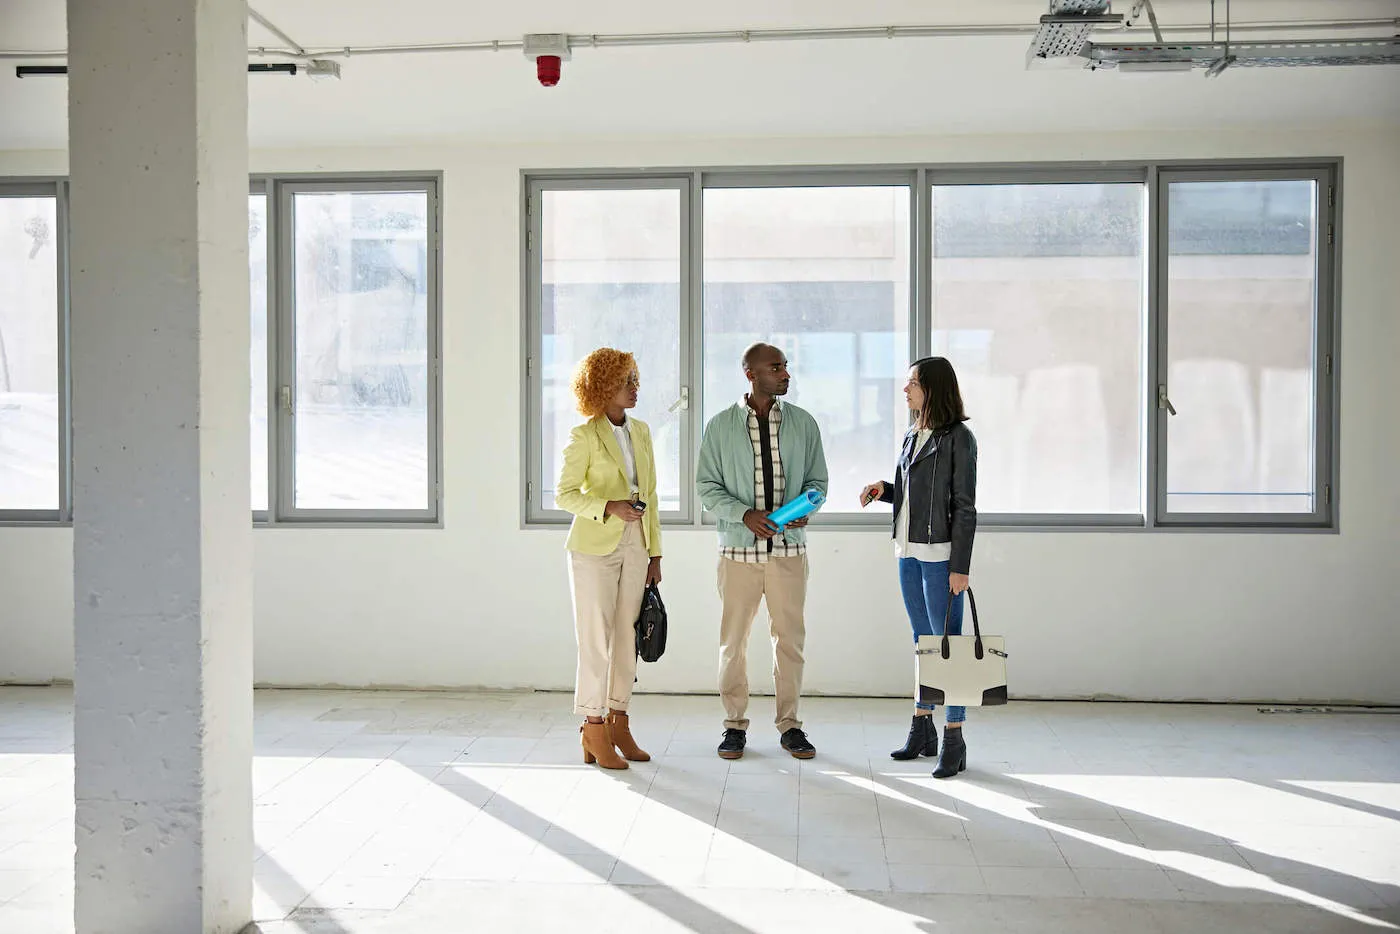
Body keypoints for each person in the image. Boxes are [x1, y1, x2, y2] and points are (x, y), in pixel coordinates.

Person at [697, 342, 828, 761]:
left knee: (789, 641)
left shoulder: (804, 424)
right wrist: (744, 514)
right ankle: (733, 726)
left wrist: (807, 508)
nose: (786, 373)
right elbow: (706, 488)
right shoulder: (719, 427)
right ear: (751, 374)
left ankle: (790, 726)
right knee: (732, 643)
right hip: (738, 555)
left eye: (786, 366)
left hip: (789, 552)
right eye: (776, 367)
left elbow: (818, 482)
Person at [861, 356, 977, 779]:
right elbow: (915, 496)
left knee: (950, 645)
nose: (905, 389)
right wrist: (884, 490)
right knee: (922, 641)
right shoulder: (913, 434)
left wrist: (960, 566)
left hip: (942, 556)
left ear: (934, 388)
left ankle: (954, 736)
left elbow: (964, 506)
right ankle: (922, 727)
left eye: (912, 383)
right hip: (908, 552)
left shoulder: (959, 438)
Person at [556, 348, 663, 770]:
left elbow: (651, 496)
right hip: (593, 547)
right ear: (602, 386)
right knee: (595, 640)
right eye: (625, 380)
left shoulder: (642, 431)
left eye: (635, 378)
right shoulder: (584, 435)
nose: (634, 387)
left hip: (637, 543)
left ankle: (619, 720)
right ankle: (593, 724)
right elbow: (566, 494)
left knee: (626, 638)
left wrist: (655, 552)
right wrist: (608, 507)